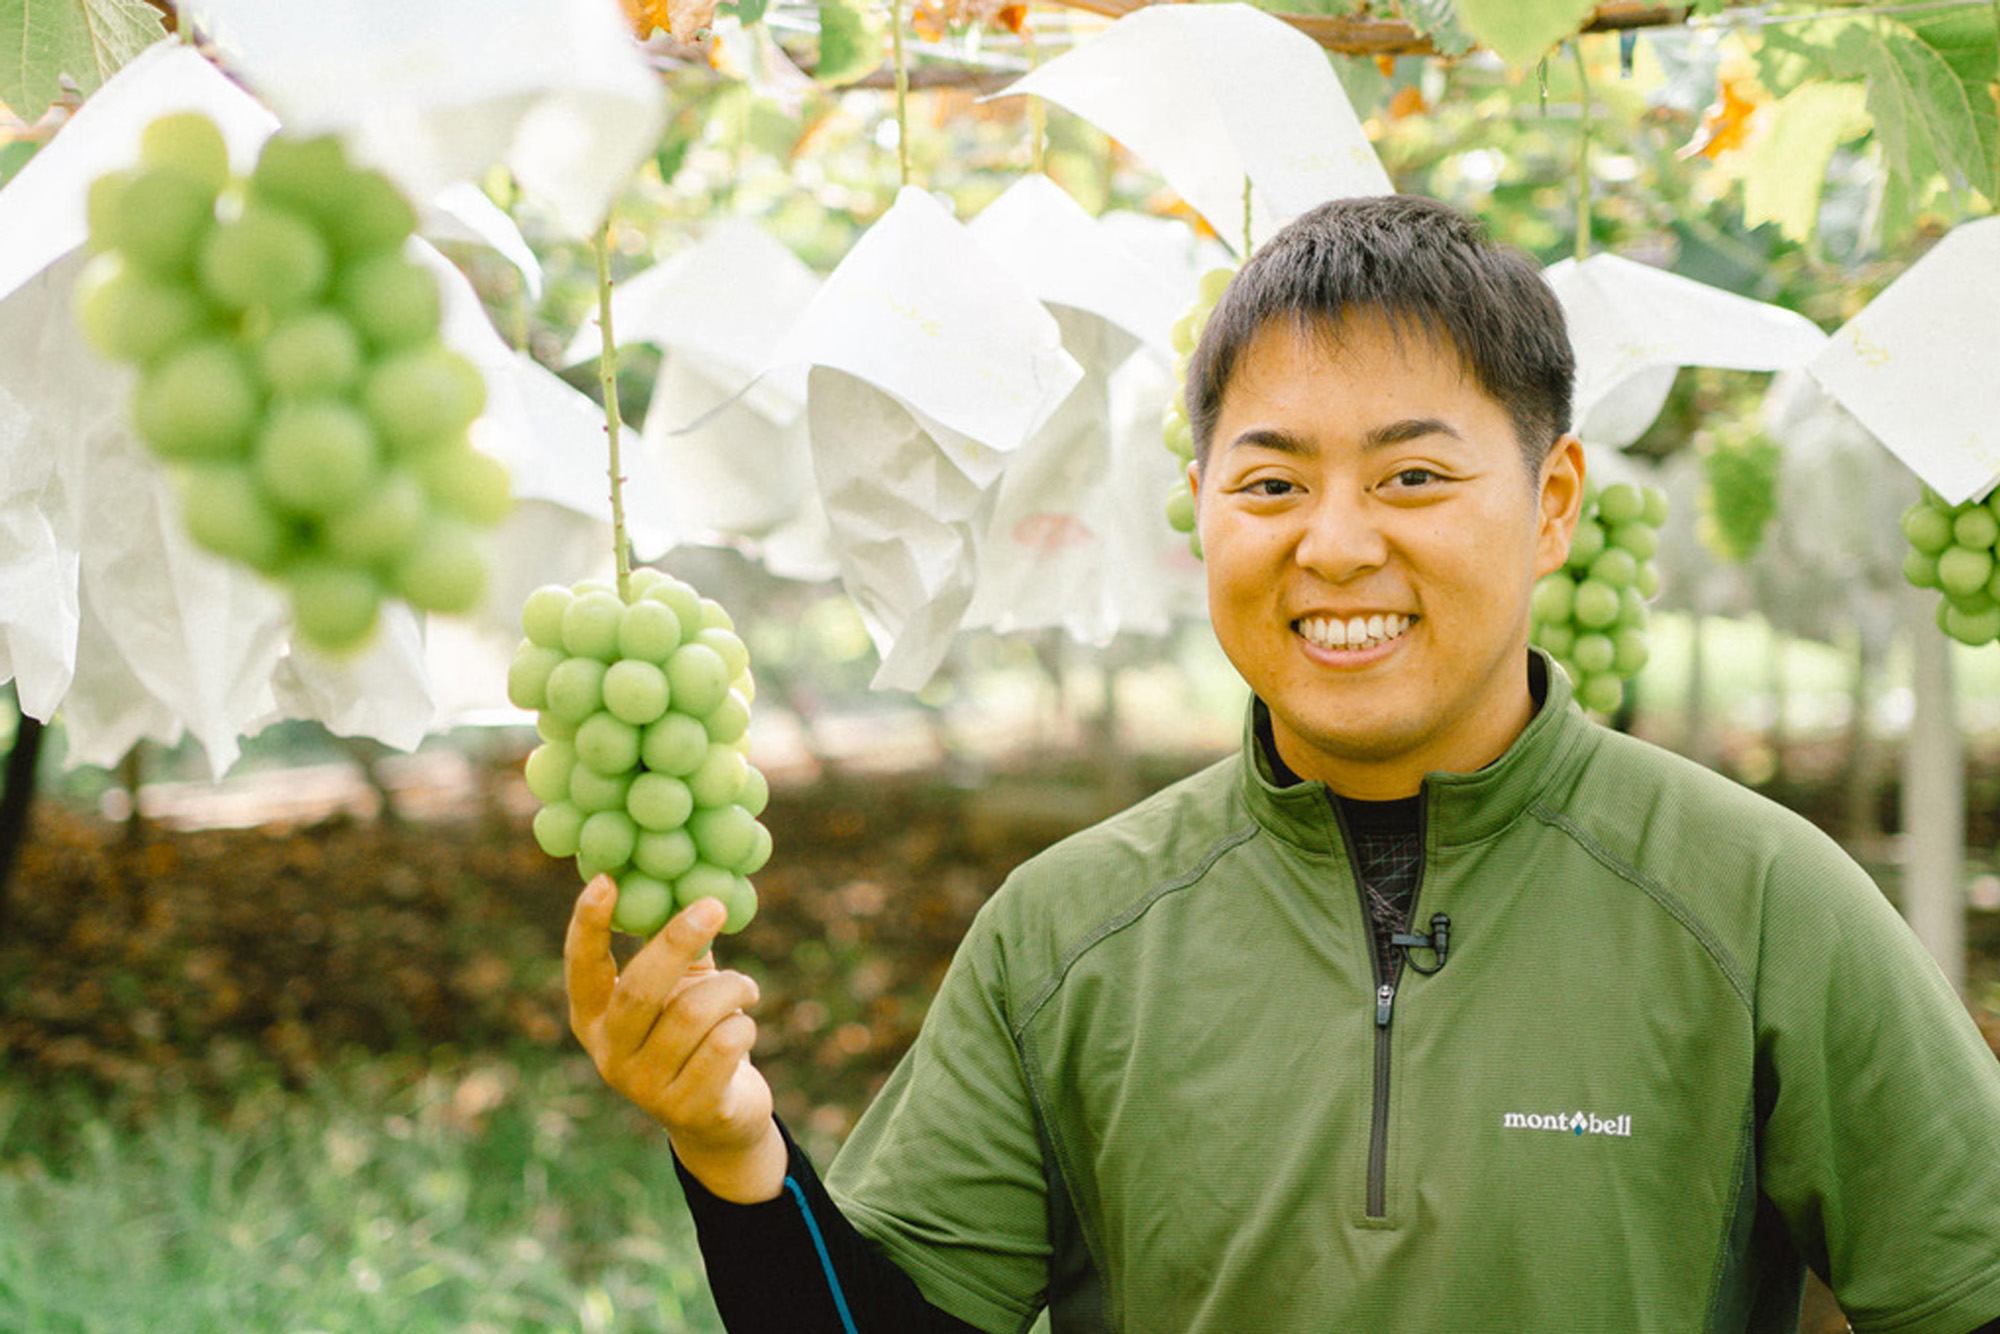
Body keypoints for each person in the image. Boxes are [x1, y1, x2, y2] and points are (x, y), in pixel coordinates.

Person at [563, 194, 2000, 1334]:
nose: (1336, 543)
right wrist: (739, 1158)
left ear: (1553, 502)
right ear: (1200, 505)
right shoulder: (1067, 934)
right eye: (1271, 483)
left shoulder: (1759, 900)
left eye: (1413, 475)